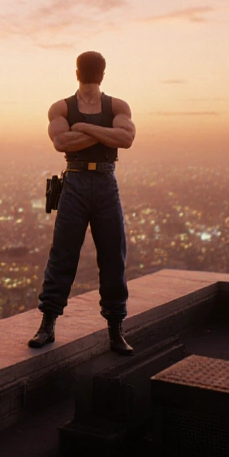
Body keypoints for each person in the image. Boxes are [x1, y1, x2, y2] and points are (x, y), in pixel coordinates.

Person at [28, 51, 136, 354]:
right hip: (80, 182)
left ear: (77, 72)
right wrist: (106, 135)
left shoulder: (102, 106)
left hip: (99, 181)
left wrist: (84, 128)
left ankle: (113, 330)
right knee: (66, 253)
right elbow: (62, 143)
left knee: (110, 254)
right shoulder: (73, 107)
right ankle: (50, 324)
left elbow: (126, 139)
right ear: (103, 73)